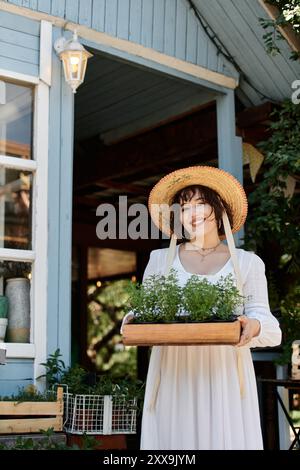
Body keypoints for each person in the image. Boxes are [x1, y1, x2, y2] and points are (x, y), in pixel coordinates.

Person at [122, 166, 282, 450]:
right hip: (173, 374)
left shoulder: (247, 262)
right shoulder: (159, 260)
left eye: (200, 203)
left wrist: (253, 325)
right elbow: (145, 315)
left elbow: (270, 328)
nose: (191, 213)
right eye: (184, 207)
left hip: (225, 376)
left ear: (220, 208)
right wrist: (134, 320)